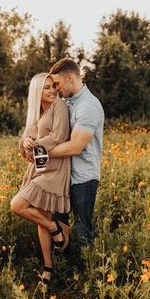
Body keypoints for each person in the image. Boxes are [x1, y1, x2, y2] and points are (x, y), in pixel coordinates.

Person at [10, 73, 70, 285]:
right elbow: (25, 145)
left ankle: (56, 228)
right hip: (38, 167)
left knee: (17, 204)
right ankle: (48, 267)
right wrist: (26, 141)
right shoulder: (35, 112)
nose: (53, 90)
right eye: (46, 88)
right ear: (37, 91)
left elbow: (59, 136)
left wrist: (34, 143)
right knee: (42, 217)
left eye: (53, 86)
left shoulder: (60, 106)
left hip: (55, 168)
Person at [49, 58, 104, 248]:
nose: (55, 88)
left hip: (84, 179)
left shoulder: (88, 105)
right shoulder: (66, 103)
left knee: (82, 232)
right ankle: (61, 269)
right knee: (57, 226)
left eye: (57, 83)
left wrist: (44, 153)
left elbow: (75, 146)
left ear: (70, 77)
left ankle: (84, 274)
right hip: (64, 177)